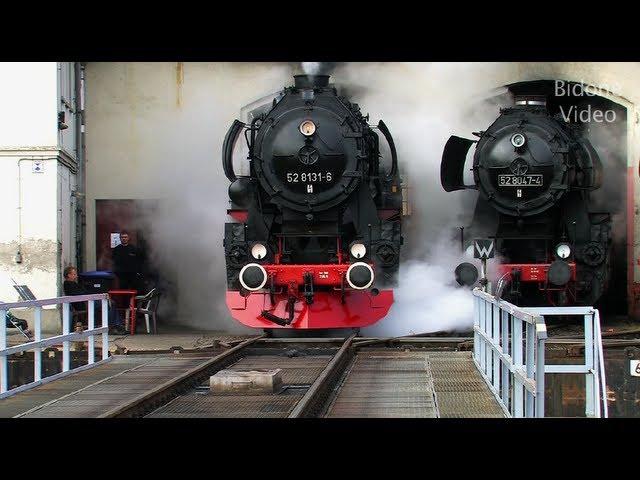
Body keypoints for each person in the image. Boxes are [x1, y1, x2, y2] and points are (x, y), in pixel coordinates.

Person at [63, 266, 126, 334]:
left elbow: (83, 292)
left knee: (111, 303)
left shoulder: (73, 283)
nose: (76, 276)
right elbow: (79, 294)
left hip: (86, 302)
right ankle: (112, 326)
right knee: (109, 303)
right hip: (83, 304)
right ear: (69, 275)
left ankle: (115, 325)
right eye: (74, 274)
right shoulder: (68, 284)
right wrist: (90, 292)